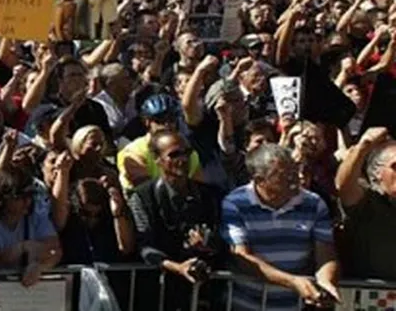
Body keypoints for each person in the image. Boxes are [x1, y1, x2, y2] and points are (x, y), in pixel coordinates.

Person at [221, 144, 339, 311]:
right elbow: (242, 257)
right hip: (245, 304)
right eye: (285, 176)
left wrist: (325, 282)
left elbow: (325, 254)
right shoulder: (235, 203)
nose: (296, 179)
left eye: (295, 171)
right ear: (260, 180)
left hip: (294, 306)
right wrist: (292, 281)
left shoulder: (314, 203)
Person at [128, 130, 225, 311]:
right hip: (158, 291)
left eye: (186, 153)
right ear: (157, 159)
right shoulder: (141, 196)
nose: (183, 160)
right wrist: (178, 267)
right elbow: (144, 246)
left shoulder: (210, 195)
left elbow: (223, 240)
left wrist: (208, 244)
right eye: (174, 155)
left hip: (203, 292)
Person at [335, 126, 396, 279]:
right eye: (395, 167)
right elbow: (343, 185)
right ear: (377, 173)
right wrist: (363, 146)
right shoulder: (367, 203)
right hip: (370, 296)